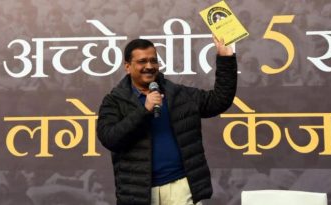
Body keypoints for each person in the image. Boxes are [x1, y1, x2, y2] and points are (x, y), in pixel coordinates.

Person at [96, 37, 237, 205]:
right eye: (142, 61)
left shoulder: (178, 94)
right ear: (127, 66)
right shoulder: (114, 101)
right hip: (139, 194)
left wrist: (226, 58)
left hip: (181, 188)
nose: (149, 66)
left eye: (153, 61)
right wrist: (144, 110)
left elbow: (219, 100)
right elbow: (110, 138)